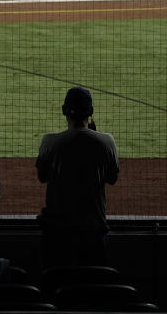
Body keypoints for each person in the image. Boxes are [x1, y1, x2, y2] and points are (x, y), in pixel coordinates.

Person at [36, 86, 119, 268]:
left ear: (64, 111)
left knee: (55, 286)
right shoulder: (107, 141)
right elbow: (112, 178)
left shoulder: (48, 141)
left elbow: (42, 177)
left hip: (57, 232)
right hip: (93, 230)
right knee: (93, 288)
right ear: (90, 112)